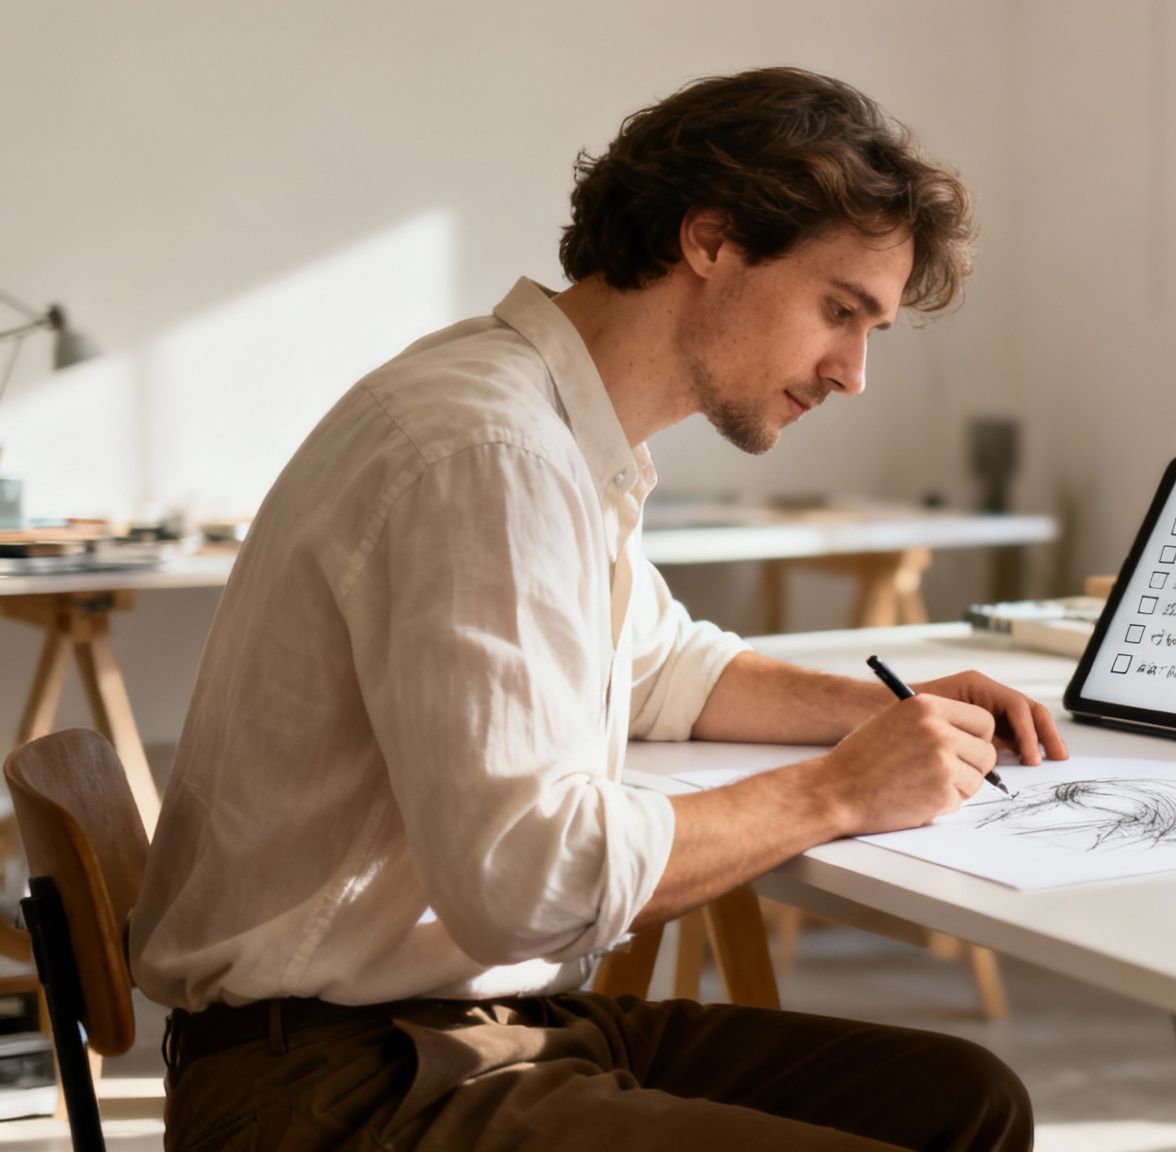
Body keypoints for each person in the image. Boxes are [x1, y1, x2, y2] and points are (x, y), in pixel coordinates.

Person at [130, 66, 1065, 1151]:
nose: (852, 372)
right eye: (837, 311)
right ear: (709, 240)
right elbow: (526, 883)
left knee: (967, 1099)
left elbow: (660, 669)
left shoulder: (555, 428)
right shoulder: (489, 452)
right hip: (334, 1081)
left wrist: (870, 716)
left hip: (466, 1023)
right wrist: (835, 792)